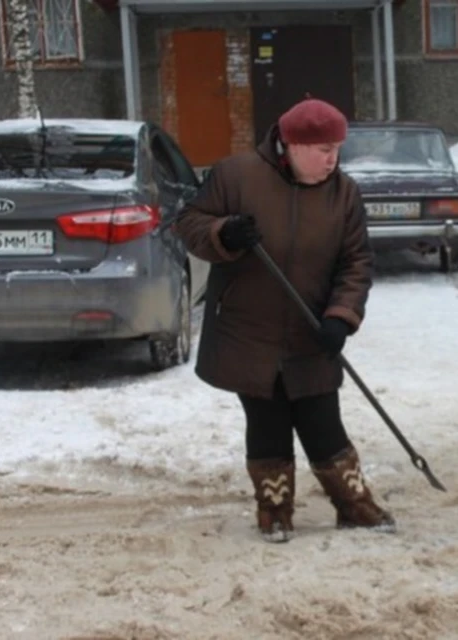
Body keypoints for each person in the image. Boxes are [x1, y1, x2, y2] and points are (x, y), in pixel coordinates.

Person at [174, 97, 395, 542]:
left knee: (322, 419)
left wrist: (342, 317)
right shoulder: (236, 176)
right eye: (322, 149)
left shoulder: (343, 193)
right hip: (247, 329)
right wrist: (225, 233)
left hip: (311, 327)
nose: (332, 159)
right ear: (291, 144)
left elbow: (356, 262)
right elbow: (189, 223)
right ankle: (274, 510)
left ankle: (353, 504)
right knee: (267, 419)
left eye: (337, 149)